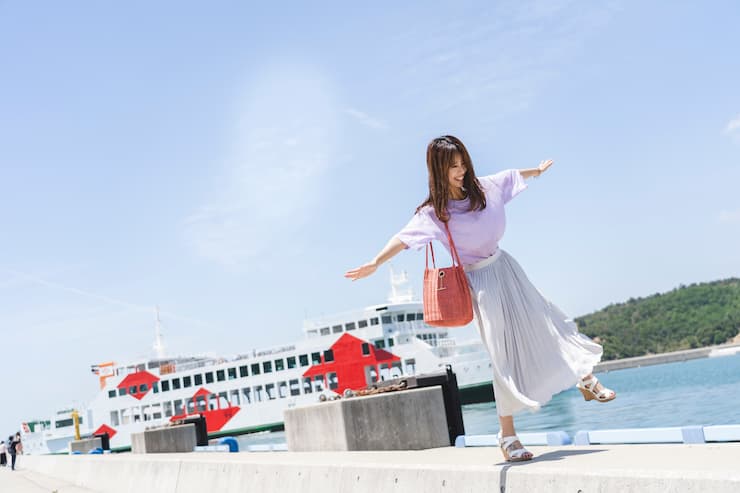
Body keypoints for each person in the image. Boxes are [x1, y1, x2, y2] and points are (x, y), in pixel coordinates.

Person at [345, 135, 616, 462]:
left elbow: (513, 175)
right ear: (438, 170)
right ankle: (507, 435)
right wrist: (376, 262)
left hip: (505, 266)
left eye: (463, 163)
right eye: (452, 167)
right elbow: (403, 238)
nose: (460, 171)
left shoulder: (485, 187)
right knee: (501, 353)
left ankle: (584, 377)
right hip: (478, 281)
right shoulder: (436, 213)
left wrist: (538, 172)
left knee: (546, 319)